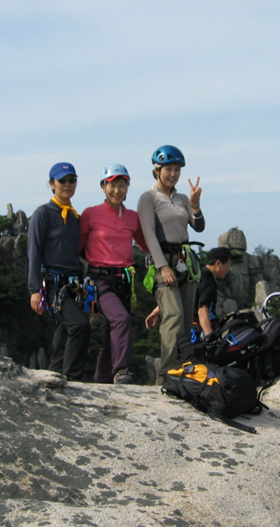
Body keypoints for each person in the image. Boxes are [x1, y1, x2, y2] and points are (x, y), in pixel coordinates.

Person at [138, 145, 205, 383]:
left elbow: (198, 226)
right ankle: (166, 373)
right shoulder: (148, 198)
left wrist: (195, 206)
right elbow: (148, 235)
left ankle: (183, 370)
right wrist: (162, 267)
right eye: (168, 169)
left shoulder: (183, 198)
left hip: (185, 260)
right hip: (163, 261)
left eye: (177, 169)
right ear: (156, 170)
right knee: (173, 315)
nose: (173, 174)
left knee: (186, 319)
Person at [80, 164, 148, 384]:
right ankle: (122, 370)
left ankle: (101, 381)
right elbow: (78, 246)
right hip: (99, 279)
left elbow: (145, 244)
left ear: (127, 188)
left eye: (122, 185)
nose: (117, 190)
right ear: (103, 187)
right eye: (112, 186)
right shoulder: (90, 214)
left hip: (124, 280)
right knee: (121, 319)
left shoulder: (132, 217)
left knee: (113, 332)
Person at [27, 162, 90, 380]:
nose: (67, 184)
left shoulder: (75, 217)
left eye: (72, 180)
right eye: (62, 180)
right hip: (54, 284)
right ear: (52, 184)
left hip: (74, 284)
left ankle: (54, 375)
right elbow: (33, 252)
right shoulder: (43, 214)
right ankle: (73, 378)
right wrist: (35, 289)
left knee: (65, 333)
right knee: (79, 326)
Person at [194, 247, 237, 338]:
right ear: (218, 263)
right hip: (201, 328)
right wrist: (210, 337)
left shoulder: (199, 274)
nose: (229, 270)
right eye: (228, 266)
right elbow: (202, 310)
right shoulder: (209, 282)